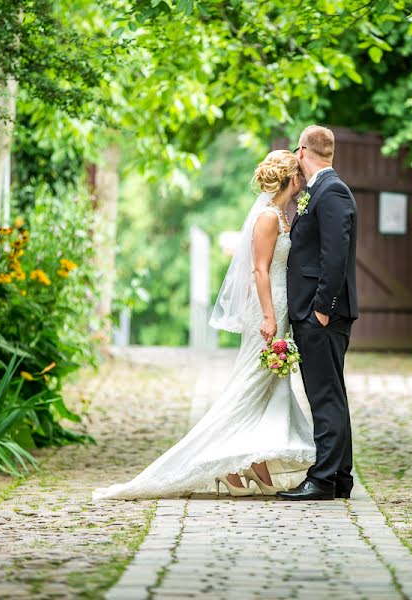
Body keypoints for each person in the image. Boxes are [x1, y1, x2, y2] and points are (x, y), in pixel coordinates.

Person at [92, 150, 315, 499]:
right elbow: (259, 269)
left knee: (270, 385)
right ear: (290, 180)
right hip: (269, 309)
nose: (302, 181)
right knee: (251, 384)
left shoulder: (283, 216)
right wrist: (270, 316)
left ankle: (254, 462)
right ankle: (226, 464)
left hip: (281, 306)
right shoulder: (268, 218)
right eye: (299, 176)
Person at [277, 125, 358, 501]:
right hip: (318, 312)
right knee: (331, 394)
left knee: (324, 395)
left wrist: (321, 311)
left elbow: (335, 257)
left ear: (301, 151)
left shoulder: (332, 191)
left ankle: (323, 478)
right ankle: (339, 475)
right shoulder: (318, 191)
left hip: (321, 313)